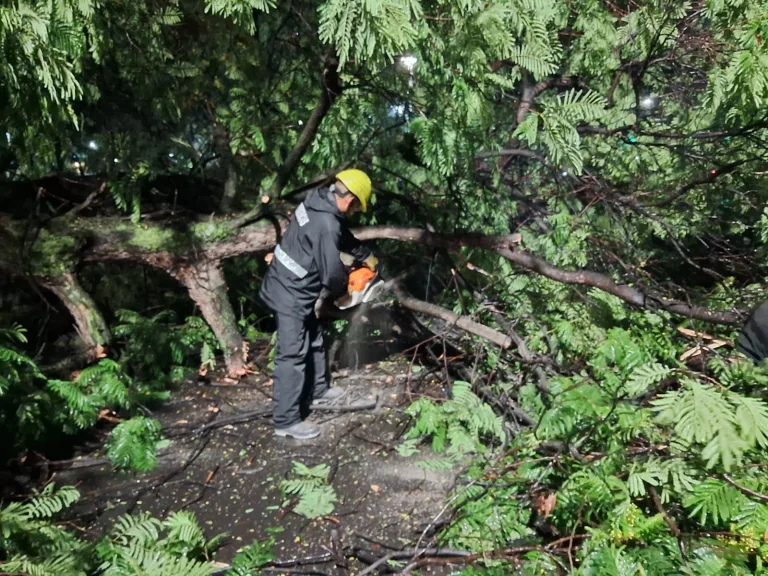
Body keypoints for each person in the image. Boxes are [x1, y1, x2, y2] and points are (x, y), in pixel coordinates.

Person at [259, 169, 378, 439]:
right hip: (288, 292)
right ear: (350, 200)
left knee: (313, 336)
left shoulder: (318, 200)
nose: (355, 212)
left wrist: (365, 255)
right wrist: (345, 292)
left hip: (293, 284)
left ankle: (318, 390)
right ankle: (286, 421)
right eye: (357, 207)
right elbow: (332, 273)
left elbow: (340, 235)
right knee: (291, 353)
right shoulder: (326, 223)